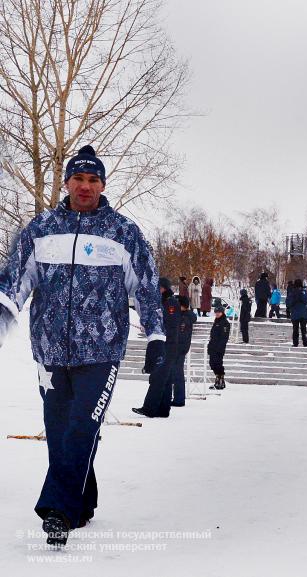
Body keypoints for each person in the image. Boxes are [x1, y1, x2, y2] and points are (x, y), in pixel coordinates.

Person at [0, 145, 164, 546]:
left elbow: (145, 288)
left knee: (82, 426)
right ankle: (82, 500)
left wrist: (156, 335)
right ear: (68, 181)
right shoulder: (40, 230)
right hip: (50, 351)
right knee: (60, 433)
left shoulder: (123, 233)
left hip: (102, 350)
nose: (85, 186)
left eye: (93, 180)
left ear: (103, 185)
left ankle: (56, 509)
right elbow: (12, 285)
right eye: (78, 178)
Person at [133, 277, 180, 418]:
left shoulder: (171, 303)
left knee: (158, 377)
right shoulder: (162, 302)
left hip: (168, 345)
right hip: (166, 343)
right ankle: (163, 409)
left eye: (158, 288)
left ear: (164, 288)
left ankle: (149, 408)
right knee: (165, 378)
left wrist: (158, 330)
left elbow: (170, 324)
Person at [171, 295, 196, 407]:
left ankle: (179, 399)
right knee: (176, 373)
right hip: (179, 348)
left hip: (179, 349)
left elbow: (181, 336)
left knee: (177, 374)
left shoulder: (185, 318)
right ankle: (177, 397)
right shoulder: (183, 316)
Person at [208, 305, 230, 389]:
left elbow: (224, 337)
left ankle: (220, 380)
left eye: (219, 312)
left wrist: (219, 348)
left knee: (218, 364)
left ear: (222, 312)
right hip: (212, 347)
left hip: (219, 348)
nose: (217, 314)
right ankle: (218, 378)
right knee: (212, 364)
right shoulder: (216, 322)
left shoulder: (224, 323)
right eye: (216, 312)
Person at [286, 278, 307, 347]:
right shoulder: (304, 292)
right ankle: (305, 343)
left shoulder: (292, 292)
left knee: (295, 329)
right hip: (303, 314)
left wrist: (294, 300)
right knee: (303, 329)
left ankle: (295, 343)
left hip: (294, 314)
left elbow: (288, 303)